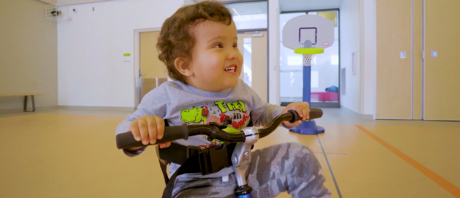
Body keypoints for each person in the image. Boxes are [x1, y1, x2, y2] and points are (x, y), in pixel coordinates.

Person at [115, 1, 331, 198]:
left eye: (234, 44)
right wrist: (141, 128)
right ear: (185, 66)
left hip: (245, 168)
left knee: (298, 157)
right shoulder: (167, 94)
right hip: (195, 182)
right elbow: (124, 132)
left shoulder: (241, 89)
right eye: (219, 45)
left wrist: (284, 113)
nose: (233, 53)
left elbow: (263, 111)